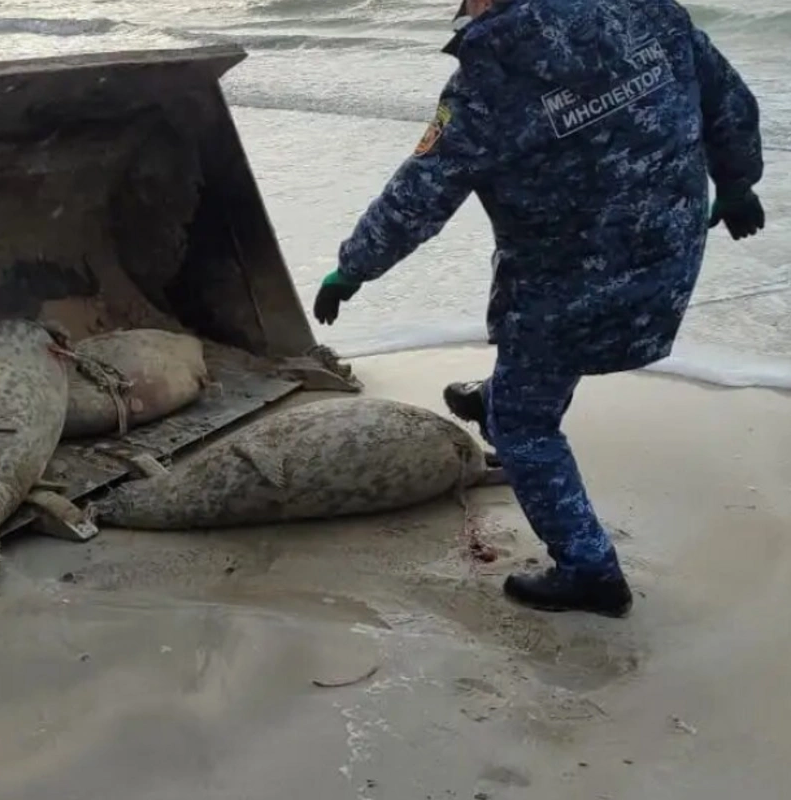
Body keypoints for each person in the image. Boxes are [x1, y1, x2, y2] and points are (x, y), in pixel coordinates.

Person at [313, 0, 765, 617]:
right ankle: (495, 397)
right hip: (669, 255)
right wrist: (739, 183)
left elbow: (420, 192)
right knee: (544, 356)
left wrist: (351, 269)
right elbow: (728, 98)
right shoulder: (648, 11)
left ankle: (589, 571)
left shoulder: (490, 76)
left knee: (526, 425)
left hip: (565, 283)